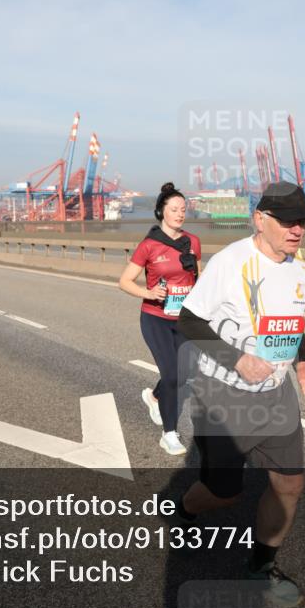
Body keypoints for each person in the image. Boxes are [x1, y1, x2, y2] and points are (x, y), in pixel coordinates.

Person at [174, 181, 305, 607]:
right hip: (224, 394)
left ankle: (260, 566)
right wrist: (236, 360)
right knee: (224, 493)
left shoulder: (301, 270)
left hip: (277, 394)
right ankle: (186, 509)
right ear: (260, 219)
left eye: (302, 222)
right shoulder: (230, 261)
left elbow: (293, 324)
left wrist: (303, 366)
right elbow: (189, 320)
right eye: (288, 221)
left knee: (290, 484)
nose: (296, 230)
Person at [118, 183, 202, 456]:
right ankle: (169, 434)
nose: (180, 214)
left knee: (184, 373)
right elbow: (124, 281)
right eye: (174, 209)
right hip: (156, 318)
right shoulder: (149, 246)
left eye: (183, 209)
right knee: (173, 375)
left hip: (185, 319)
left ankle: (154, 396)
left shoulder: (193, 242)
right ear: (161, 212)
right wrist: (148, 292)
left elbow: (197, 279)